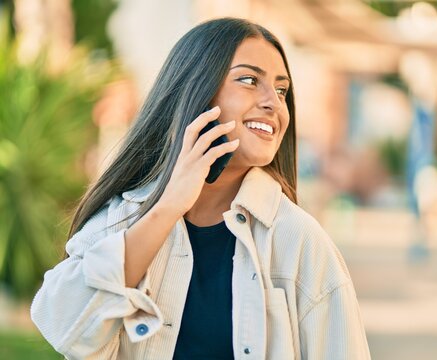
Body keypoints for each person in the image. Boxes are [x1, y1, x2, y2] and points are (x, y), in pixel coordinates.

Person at [30, 17, 371, 360]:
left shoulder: (299, 242)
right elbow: (62, 326)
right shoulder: (123, 217)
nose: (274, 103)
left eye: (281, 90)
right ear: (197, 92)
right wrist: (166, 208)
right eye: (250, 80)